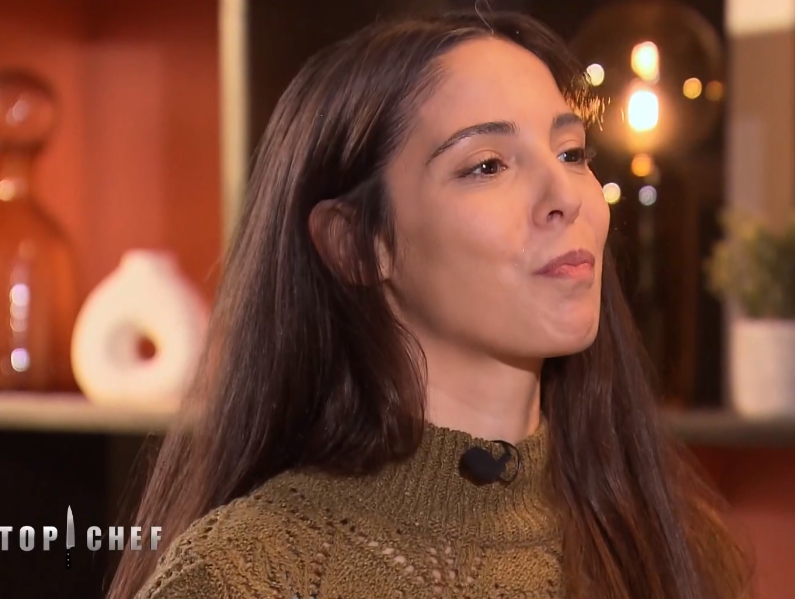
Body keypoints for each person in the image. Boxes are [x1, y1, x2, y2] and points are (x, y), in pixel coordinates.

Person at [111, 8, 753, 599]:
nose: (567, 195)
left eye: (572, 153)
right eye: (488, 166)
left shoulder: (676, 546)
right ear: (358, 244)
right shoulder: (242, 576)